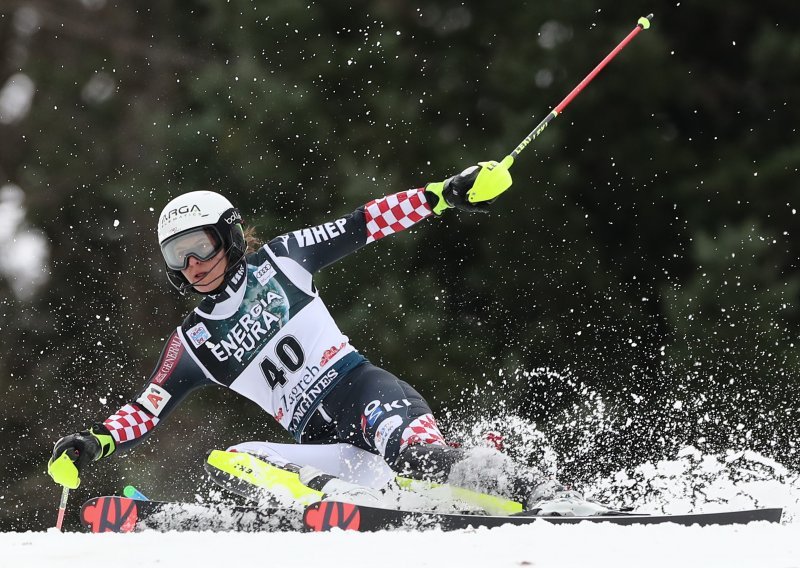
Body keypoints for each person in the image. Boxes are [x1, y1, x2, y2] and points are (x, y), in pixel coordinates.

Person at [47, 161, 594, 514]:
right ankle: (341, 507)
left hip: (365, 393)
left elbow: (364, 222)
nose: (192, 265)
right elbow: (148, 408)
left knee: (414, 454)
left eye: (199, 246)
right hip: (328, 447)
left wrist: (445, 194)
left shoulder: (283, 260)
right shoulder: (193, 341)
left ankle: (546, 495)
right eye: (176, 256)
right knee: (235, 459)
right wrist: (94, 442)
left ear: (230, 236)